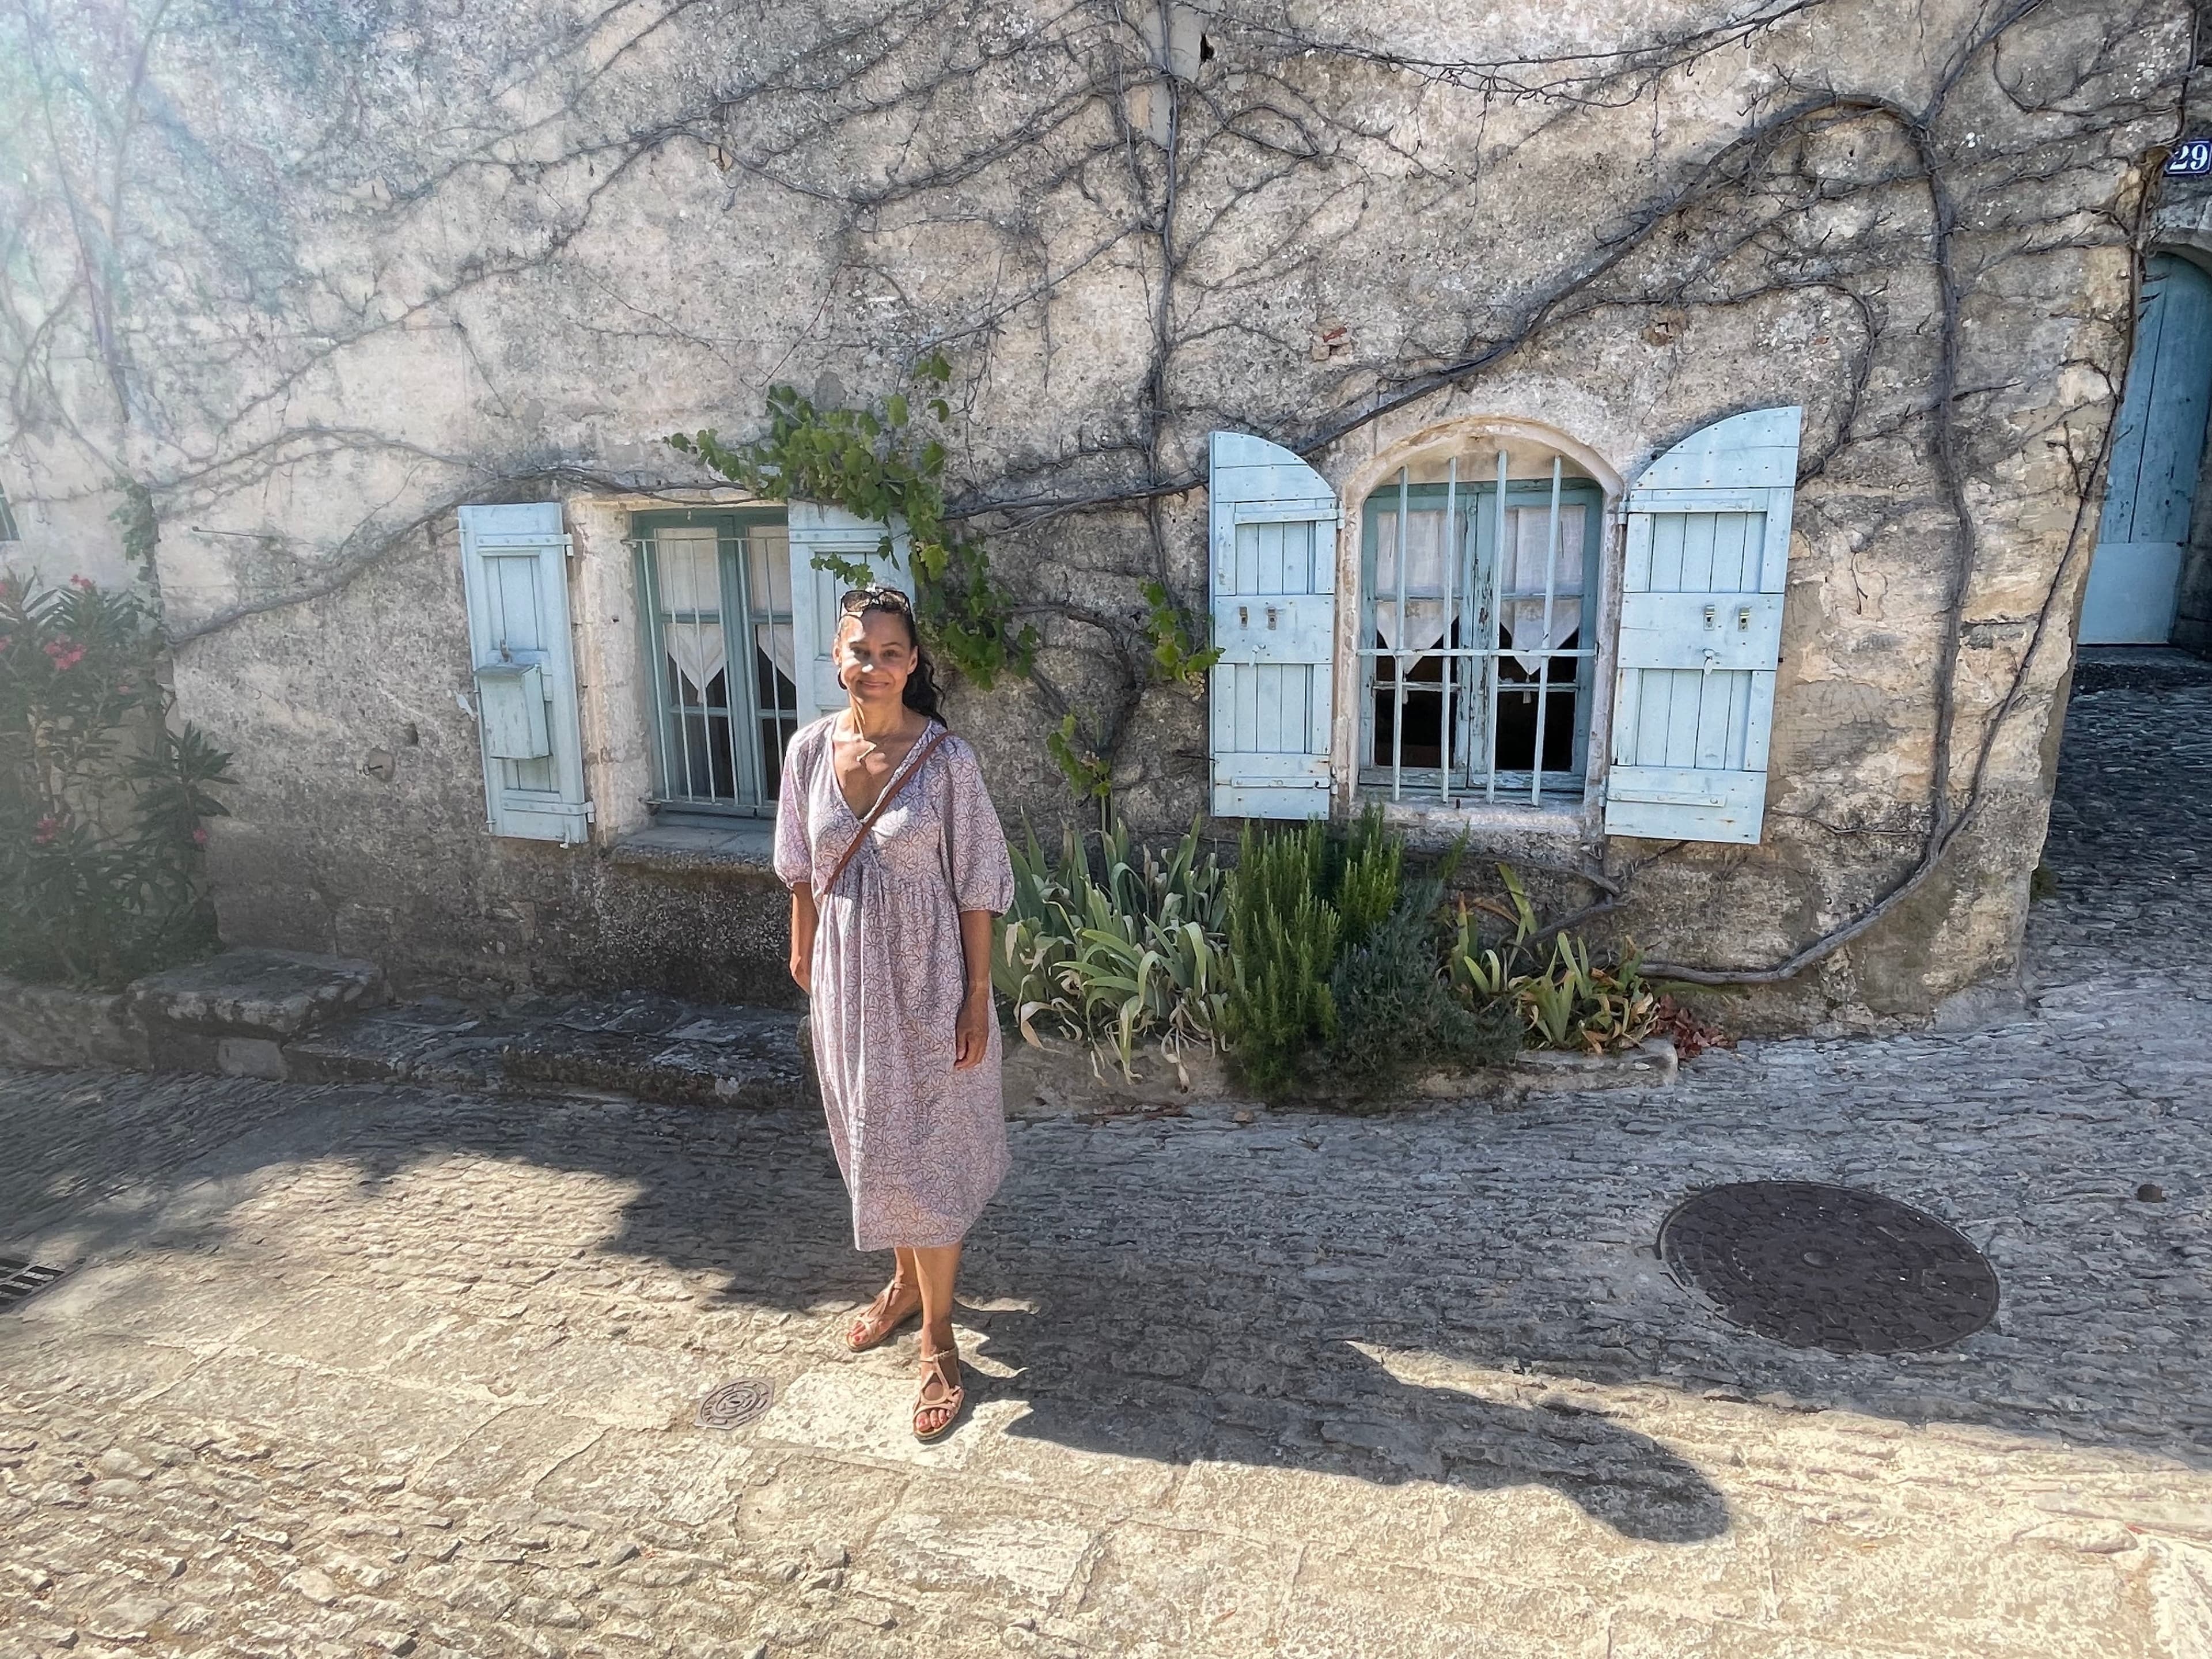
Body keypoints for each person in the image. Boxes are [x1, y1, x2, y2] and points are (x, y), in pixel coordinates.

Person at [772, 584, 1014, 1443]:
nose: (871, 667)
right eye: (857, 651)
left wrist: (977, 996)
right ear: (836, 659)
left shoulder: (948, 762)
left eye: (888, 652)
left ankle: (942, 1345)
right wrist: (803, 945)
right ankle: (910, 1286)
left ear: (913, 663)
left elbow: (980, 884)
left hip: (928, 977)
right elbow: (798, 863)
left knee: (930, 1151)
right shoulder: (807, 752)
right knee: (877, 1140)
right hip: (844, 978)